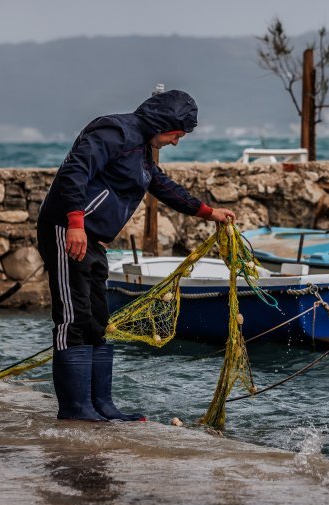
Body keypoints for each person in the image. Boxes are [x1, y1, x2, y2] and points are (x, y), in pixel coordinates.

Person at [37, 90, 235, 422]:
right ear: (164, 123)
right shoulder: (114, 132)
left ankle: (101, 405)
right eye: (176, 134)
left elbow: (161, 185)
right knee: (73, 318)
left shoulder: (142, 150)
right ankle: (75, 409)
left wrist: (207, 211)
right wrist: (74, 222)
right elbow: (76, 172)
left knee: (97, 322)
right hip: (66, 229)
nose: (176, 142)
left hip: (95, 239)